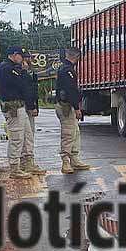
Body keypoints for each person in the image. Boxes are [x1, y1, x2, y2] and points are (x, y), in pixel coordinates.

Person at [0, 46, 33, 179]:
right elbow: (22, 84)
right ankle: (14, 168)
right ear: (13, 55)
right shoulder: (7, 68)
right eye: (20, 56)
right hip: (13, 107)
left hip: (19, 106)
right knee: (16, 138)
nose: (22, 59)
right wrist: (23, 72)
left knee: (27, 135)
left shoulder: (9, 67)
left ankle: (26, 164)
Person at [55, 46, 92, 174]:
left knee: (75, 132)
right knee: (68, 134)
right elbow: (70, 91)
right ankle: (65, 161)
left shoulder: (65, 68)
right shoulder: (67, 70)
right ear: (76, 57)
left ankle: (74, 159)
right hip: (66, 106)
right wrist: (77, 108)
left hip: (67, 105)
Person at [20, 60, 46, 174]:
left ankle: (25, 162)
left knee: (28, 135)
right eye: (26, 59)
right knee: (27, 135)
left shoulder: (29, 74)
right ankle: (27, 163)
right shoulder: (22, 74)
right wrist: (32, 107)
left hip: (27, 106)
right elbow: (27, 92)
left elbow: (33, 92)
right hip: (25, 107)